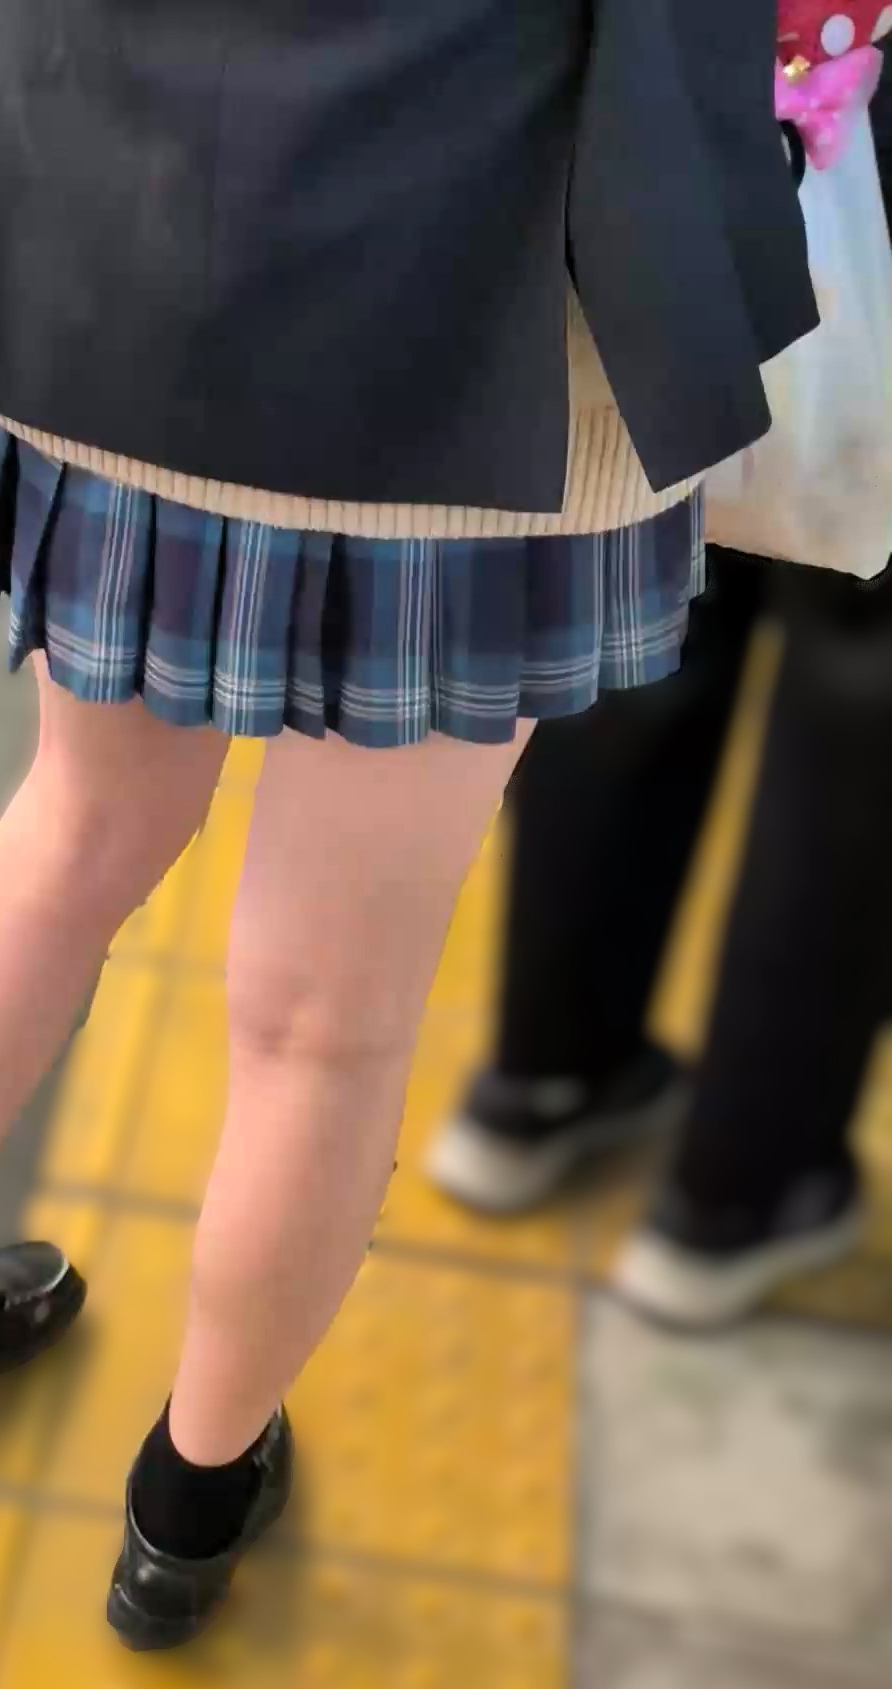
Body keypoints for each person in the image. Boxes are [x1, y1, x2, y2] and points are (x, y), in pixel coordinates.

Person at [0, 0, 817, 1651]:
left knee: (72, 830)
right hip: (476, 343)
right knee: (321, 1016)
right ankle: (188, 1502)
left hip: (115, 246)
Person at [429, 58, 892, 1331]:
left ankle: (545, 1075)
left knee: (662, 559)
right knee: (865, 681)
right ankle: (739, 1187)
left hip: (725, 89)